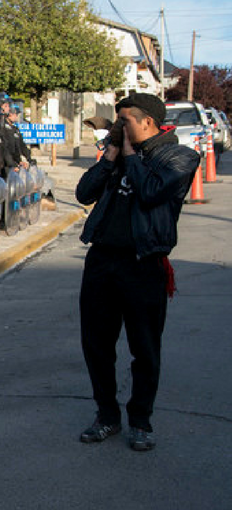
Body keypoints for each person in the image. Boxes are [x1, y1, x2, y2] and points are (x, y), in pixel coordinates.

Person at [75, 93, 198, 451]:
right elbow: (84, 193)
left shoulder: (179, 157)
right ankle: (107, 415)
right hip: (102, 262)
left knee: (144, 348)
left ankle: (140, 420)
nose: (118, 127)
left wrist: (128, 156)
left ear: (147, 122)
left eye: (124, 121)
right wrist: (111, 155)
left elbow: (150, 192)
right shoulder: (117, 154)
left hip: (143, 264)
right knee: (96, 345)